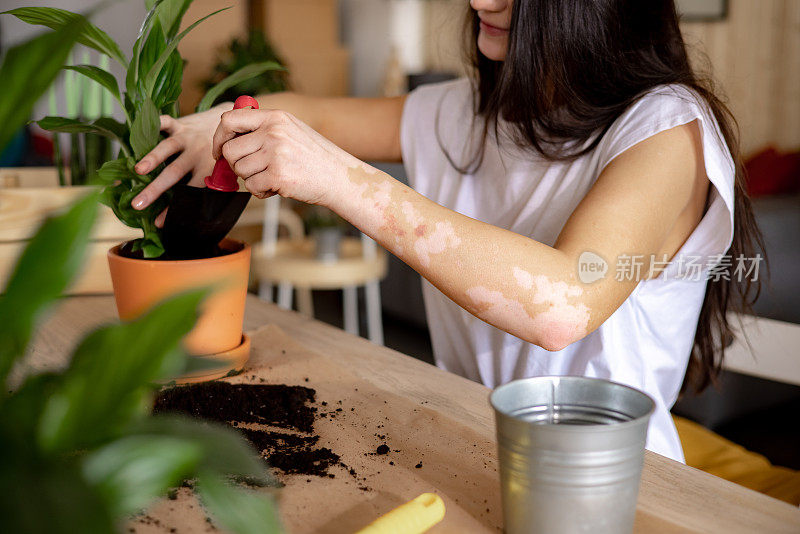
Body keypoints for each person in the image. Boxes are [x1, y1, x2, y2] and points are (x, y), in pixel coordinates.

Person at [130, 0, 763, 462]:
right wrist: (216, 124)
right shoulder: (467, 112)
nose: (480, 1)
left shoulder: (667, 130)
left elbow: (562, 304)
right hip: (471, 447)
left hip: (607, 480)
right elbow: (305, 113)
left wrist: (335, 177)